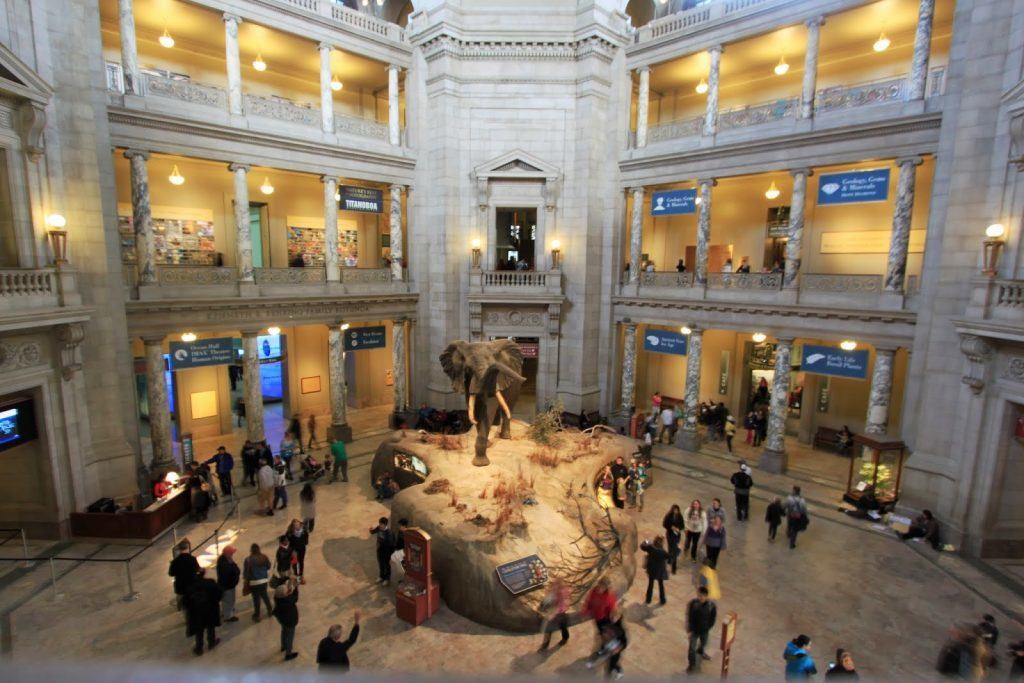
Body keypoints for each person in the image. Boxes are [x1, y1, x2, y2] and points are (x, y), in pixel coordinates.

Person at [184, 567, 222, 656]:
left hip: (197, 612)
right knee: (210, 627)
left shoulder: (190, 586)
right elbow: (219, 593)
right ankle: (211, 642)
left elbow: (186, 602)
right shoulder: (210, 583)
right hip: (210, 609)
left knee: (199, 630)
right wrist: (215, 602)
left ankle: (199, 648)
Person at [685, 586, 717, 674]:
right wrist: (689, 630)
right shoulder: (693, 604)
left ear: (706, 596)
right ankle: (691, 664)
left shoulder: (711, 606)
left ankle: (701, 651)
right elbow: (689, 617)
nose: (699, 598)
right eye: (698, 595)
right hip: (694, 630)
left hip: (704, 630)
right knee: (691, 648)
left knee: (704, 643)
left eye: (701, 596)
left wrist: (708, 627)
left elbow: (713, 618)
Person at [538, 577, 571, 651]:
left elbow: (561, 605)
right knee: (548, 629)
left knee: (563, 627)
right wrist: (542, 607)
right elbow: (547, 599)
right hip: (552, 612)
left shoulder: (563, 593)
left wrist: (553, 614)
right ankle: (545, 645)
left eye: (556, 585)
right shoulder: (553, 590)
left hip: (560, 613)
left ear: (560, 586)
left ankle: (565, 638)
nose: (554, 587)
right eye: (554, 584)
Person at [243, 543, 273, 622]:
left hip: (254, 582)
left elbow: (246, 572)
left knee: (256, 599)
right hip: (263, 581)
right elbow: (269, 566)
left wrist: (246, 580)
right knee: (265, 595)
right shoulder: (264, 557)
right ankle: (270, 610)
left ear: (251, 550)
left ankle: (257, 615)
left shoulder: (248, 559)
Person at [273, 576, 300, 661]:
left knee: (284, 632)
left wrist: (288, 579)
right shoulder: (288, 601)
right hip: (290, 621)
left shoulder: (277, 598)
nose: (288, 590)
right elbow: (295, 597)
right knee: (290, 636)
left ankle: (283, 646)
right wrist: (296, 587)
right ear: (285, 595)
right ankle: (288, 653)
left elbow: (284, 589)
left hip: (282, 620)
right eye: (287, 591)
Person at [168, 540, 199, 611]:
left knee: (181, 599)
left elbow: (171, 573)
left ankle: (181, 608)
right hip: (192, 583)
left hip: (180, 585)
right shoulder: (192, 559)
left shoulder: (175, 562)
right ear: (188, 548)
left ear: (179, 549)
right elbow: (197, 569)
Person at [639, 536, 669, 605]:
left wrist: (646, 540)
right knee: (661, 585)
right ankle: (662, 600)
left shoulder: (650, 548)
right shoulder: (663, 552)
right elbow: (670, 557)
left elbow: (642, 546)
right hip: (660, 571)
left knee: (650, 584)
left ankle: (648, 599)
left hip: (651, 570)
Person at [215, 546, 240, 623]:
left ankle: (229, 613)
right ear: (227, 553)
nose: (232, 554)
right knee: (227, 601)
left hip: (230, 585)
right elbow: (230, 572)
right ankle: (228, 616)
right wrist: (234, 566)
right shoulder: (224, 563)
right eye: (231, 553)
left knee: (230, 600)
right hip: (227, 586)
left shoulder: (226, 560)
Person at [370, 517, 394, 586]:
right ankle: (381, 576)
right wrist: (371, 530)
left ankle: (387, 579)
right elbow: (373, 531)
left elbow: (391, 545)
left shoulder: (389, 533)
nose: (379, 525)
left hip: (386, 552)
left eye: (381, 524)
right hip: (379, 550)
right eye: (379, 523)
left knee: (387, 565)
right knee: (381, 564)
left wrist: (391, 555)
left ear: (385, 525)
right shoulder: (379, 528)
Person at [662, 505, 684, 574]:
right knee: (670, 547)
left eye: (677, 510)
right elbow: (664, 524)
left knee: (674, 550)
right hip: (670, 534)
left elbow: (682, 526)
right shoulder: (668, 516)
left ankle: (674, 568)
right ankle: (669, 558)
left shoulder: (680, 516)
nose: (676, 511)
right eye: (674, 510)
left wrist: (678, 529)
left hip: (676, 535)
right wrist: (671, 527)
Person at [286, 518, 310, 584]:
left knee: (301, 562)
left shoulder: (304, 531)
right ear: (293, 526)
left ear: (300, 525)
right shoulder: (290, 533)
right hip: (294, 550)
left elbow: (306, 539)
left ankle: (301, 576)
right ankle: (296, 576)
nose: (297, 526)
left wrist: (304, 543)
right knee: (294, 563)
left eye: (298, 525)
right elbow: (287, 541)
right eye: (295, 525)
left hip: (302, 549)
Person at [683, 499, 707, 564]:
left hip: (697, 531)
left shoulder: (702, 513)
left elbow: (704, 523)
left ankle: (693, 556)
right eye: (694, 504)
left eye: (696, 504)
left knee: (695, 544)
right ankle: (686, 547)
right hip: (689, 529)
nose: (695, 505)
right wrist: (685, 528)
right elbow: (685, 519)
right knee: (688, 540)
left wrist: (704, 532)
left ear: (699, 505)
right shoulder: (688, 510)